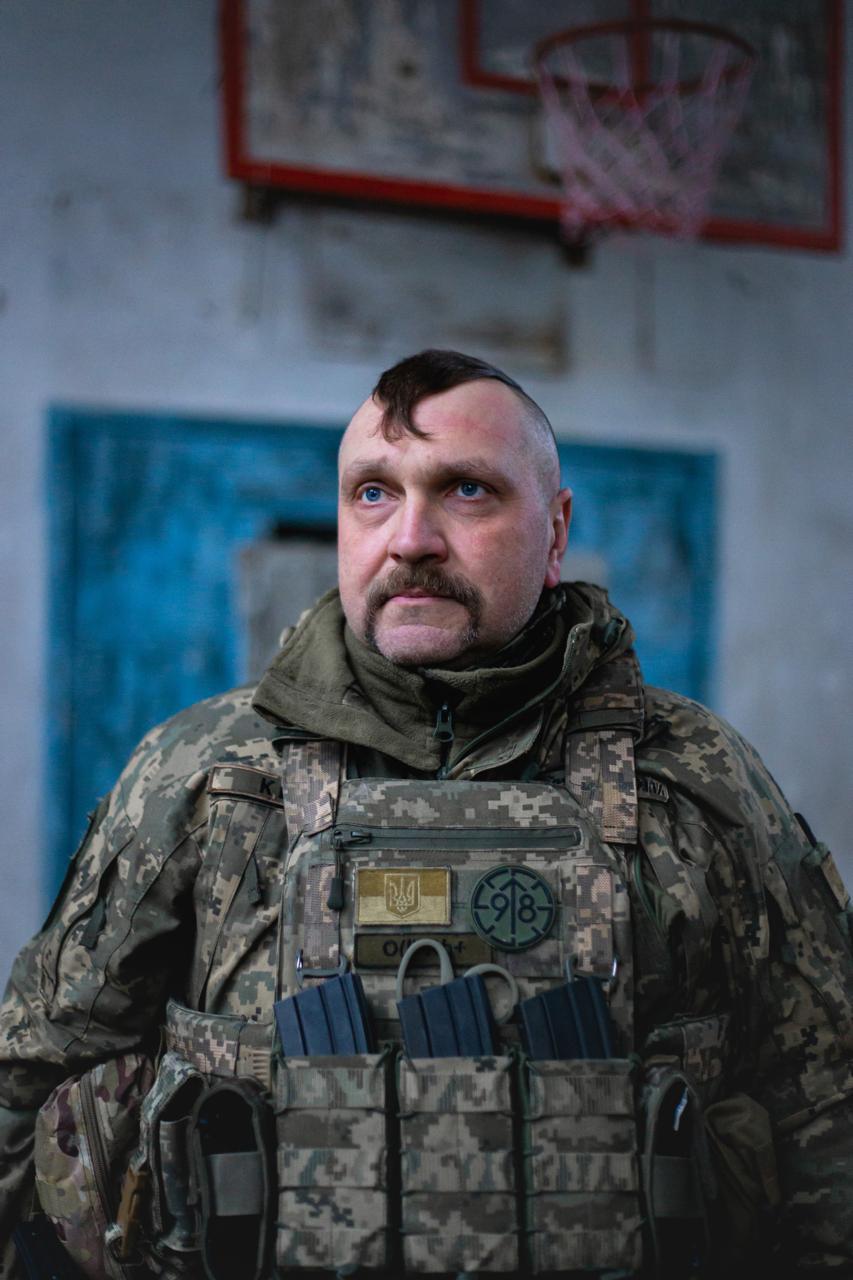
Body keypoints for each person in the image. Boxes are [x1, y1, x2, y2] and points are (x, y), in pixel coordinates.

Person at [1, 348, 851, 1280]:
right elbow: (33, 1067)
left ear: (556, 530)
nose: (410, 539)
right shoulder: (203, 773)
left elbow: (824, 1104)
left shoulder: (696, 776)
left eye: (465, 490)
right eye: (373, 493)